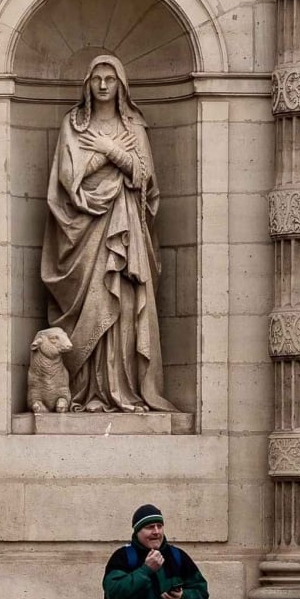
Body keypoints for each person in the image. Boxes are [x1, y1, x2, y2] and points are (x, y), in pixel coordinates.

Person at [42, 55, 175, 413]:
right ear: (87, 84)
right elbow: (68, 178)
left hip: (125, 225)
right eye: (96, 78)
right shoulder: (73, 124)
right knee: (92, 301)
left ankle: (123, 390)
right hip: (84, 229)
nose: (103, 85)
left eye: (110, 79)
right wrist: (106, 156)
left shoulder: (134, 126)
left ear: (121, 85)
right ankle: (86, 390)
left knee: (124, 302)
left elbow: (144, 178)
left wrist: (112, 149)